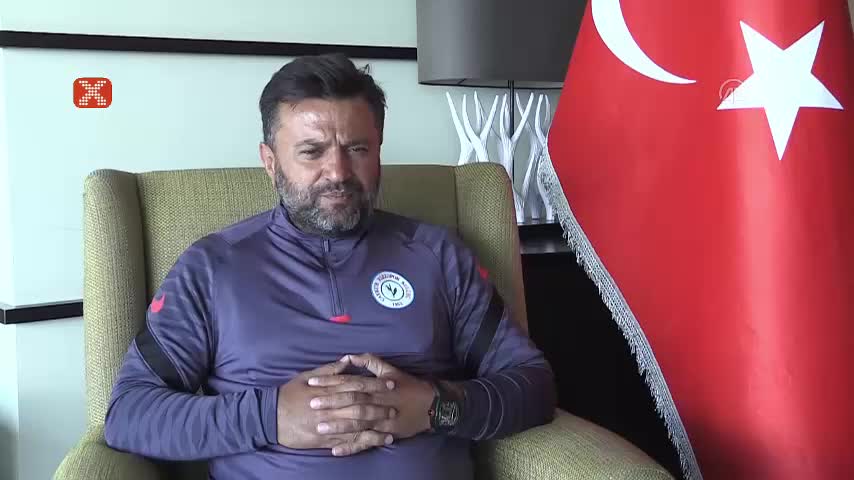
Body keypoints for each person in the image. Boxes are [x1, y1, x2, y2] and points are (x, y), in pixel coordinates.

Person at [103, 53, 556, 480]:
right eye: (312, 151)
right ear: (270, 162)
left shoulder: (437, 255)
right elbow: (129, 413)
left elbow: (533, 385)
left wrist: (438, 407)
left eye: (357, 148)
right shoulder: (211, 268)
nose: (338, 172)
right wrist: (269, 417)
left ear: (378, 151)